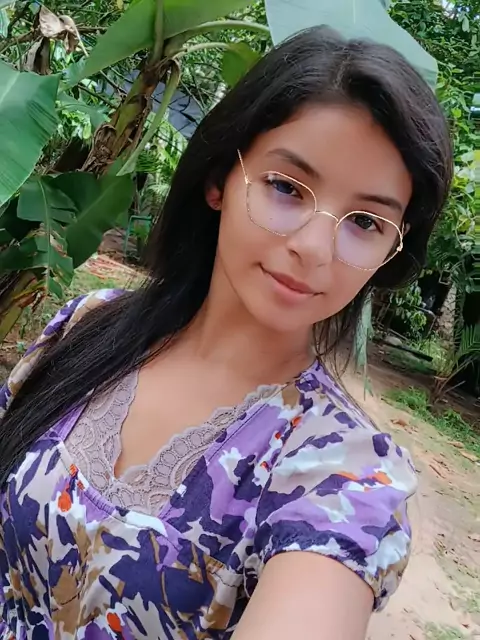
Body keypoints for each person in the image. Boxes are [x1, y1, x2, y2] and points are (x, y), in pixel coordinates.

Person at [0, 25, 452, 640]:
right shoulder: (85, 326)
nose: (315, 248)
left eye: (366, 222)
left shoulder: (340, 471)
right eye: (286, 188)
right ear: (219, 179)